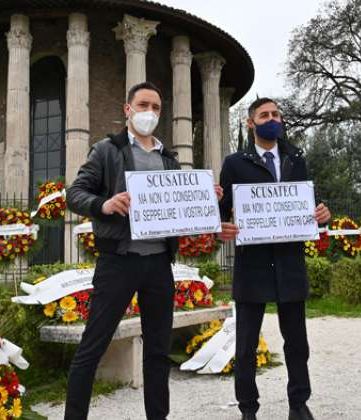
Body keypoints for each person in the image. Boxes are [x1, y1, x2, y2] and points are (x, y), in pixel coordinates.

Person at [65, 81, 222, 420]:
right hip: (118, 262)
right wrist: (104, 204)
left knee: (157, 351)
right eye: (143, 105)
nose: (149, 112)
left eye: (156, 107)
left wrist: (205, 199)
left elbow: (179, 207)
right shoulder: (107, 150)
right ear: (128, 109)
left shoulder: (169, 159)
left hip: (158, 266)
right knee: (92, 347)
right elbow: (74, 193)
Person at [216, 97, 331, 420]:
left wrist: (322, 212)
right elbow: (222, 213)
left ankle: (299, 403)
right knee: (246, 343)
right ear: (251, 122)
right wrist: (220, 224)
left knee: (297, 342)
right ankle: (248, 408)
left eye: (276, 114)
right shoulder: (235, 163)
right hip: (252, 263)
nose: (273, 119)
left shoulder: (296, 157)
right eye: (265, 114)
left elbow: (307, 200)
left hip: (289, 262)